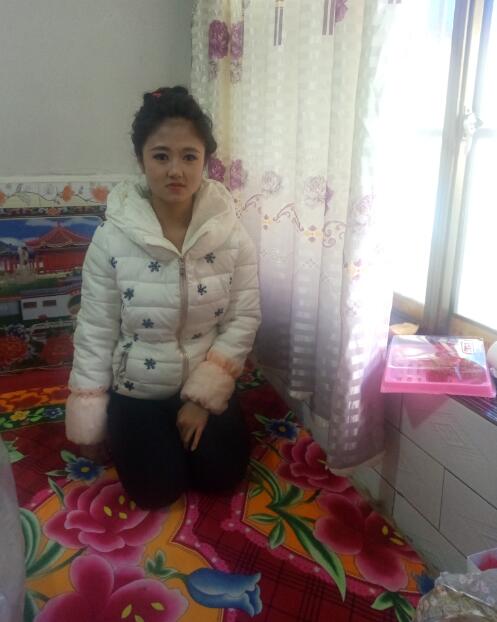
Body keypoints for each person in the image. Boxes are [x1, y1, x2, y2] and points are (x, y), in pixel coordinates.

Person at [65, 86, 261, 509]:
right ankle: (137, 433)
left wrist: (203, 398)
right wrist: (89, 413)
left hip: (204, 380)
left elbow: (243, 318)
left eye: (189, 156)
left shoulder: (231, 236)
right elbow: (96, 328)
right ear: (142, 160)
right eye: (161, 156)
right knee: (156, 493)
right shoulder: (111, 239)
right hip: (138, 388)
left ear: (205, 161)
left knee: (221, 478)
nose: (176, 170)